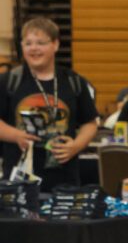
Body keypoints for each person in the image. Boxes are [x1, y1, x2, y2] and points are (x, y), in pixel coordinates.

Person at [0, 17, 98, 191]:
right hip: (19, 182)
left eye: (40, 43)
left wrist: (75, 146)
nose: (34, 48)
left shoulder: (74, 82)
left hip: (64, 181)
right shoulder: (8, 81)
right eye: (28, 43)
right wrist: (16, 135)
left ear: (55, 45)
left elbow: (89, 124)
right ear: (22, 47)